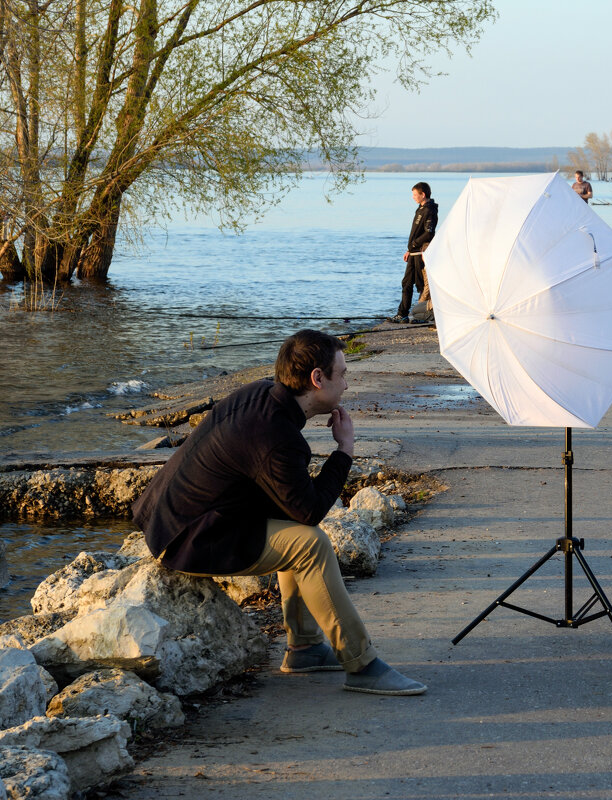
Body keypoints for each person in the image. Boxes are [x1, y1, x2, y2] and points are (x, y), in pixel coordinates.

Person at [132, 330, 427, 696]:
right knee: (310, 544)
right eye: (343, 374)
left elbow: (293, 505)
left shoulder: (261, 397)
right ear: (317, 379)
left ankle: (304, 648)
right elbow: (311, 512)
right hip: (189, 538)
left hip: (174, 520)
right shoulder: (276, 434)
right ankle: (363, 665)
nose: (347, 385)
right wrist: (345, 451)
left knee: (295, 529)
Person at [392, 182, 437, 324]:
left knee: (421, 285)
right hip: (412, 253)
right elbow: (416, 232)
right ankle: (402, 314)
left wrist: (414, 245)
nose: (413, 197)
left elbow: (429, 233)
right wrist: (408, 250)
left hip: (420, 254)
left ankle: (424, 314)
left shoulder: (430, 210)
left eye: (415, 194)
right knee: (406, 283)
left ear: (423, 194)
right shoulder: (420, 209)